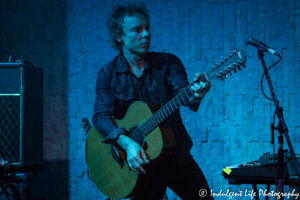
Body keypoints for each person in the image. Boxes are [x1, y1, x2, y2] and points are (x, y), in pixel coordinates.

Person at [92, 3, 213, 200]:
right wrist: (127, 142)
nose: (146, 34)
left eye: (147, 28)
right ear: (119, 36)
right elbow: (100, 118)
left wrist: (197, 92)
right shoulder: (108, 73)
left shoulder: (168, 63)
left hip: (175, 156)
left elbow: (186, 95)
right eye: (137, 29)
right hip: (140, 165)